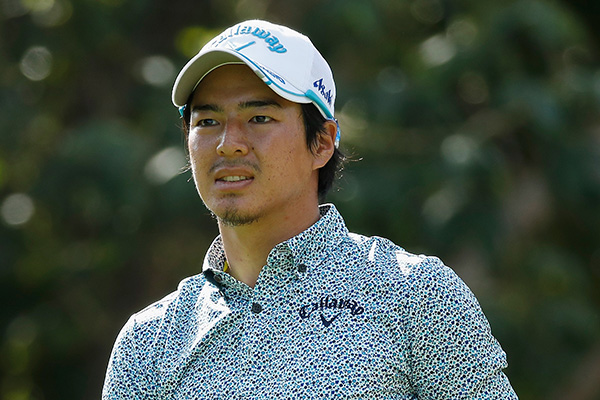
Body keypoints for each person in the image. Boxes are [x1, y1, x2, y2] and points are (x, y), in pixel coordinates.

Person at [102, 19, 518, 399]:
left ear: (321, 143)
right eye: (207, 122)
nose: (228, 144)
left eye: (259, 118)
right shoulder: (148, 344)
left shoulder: (415, 295)